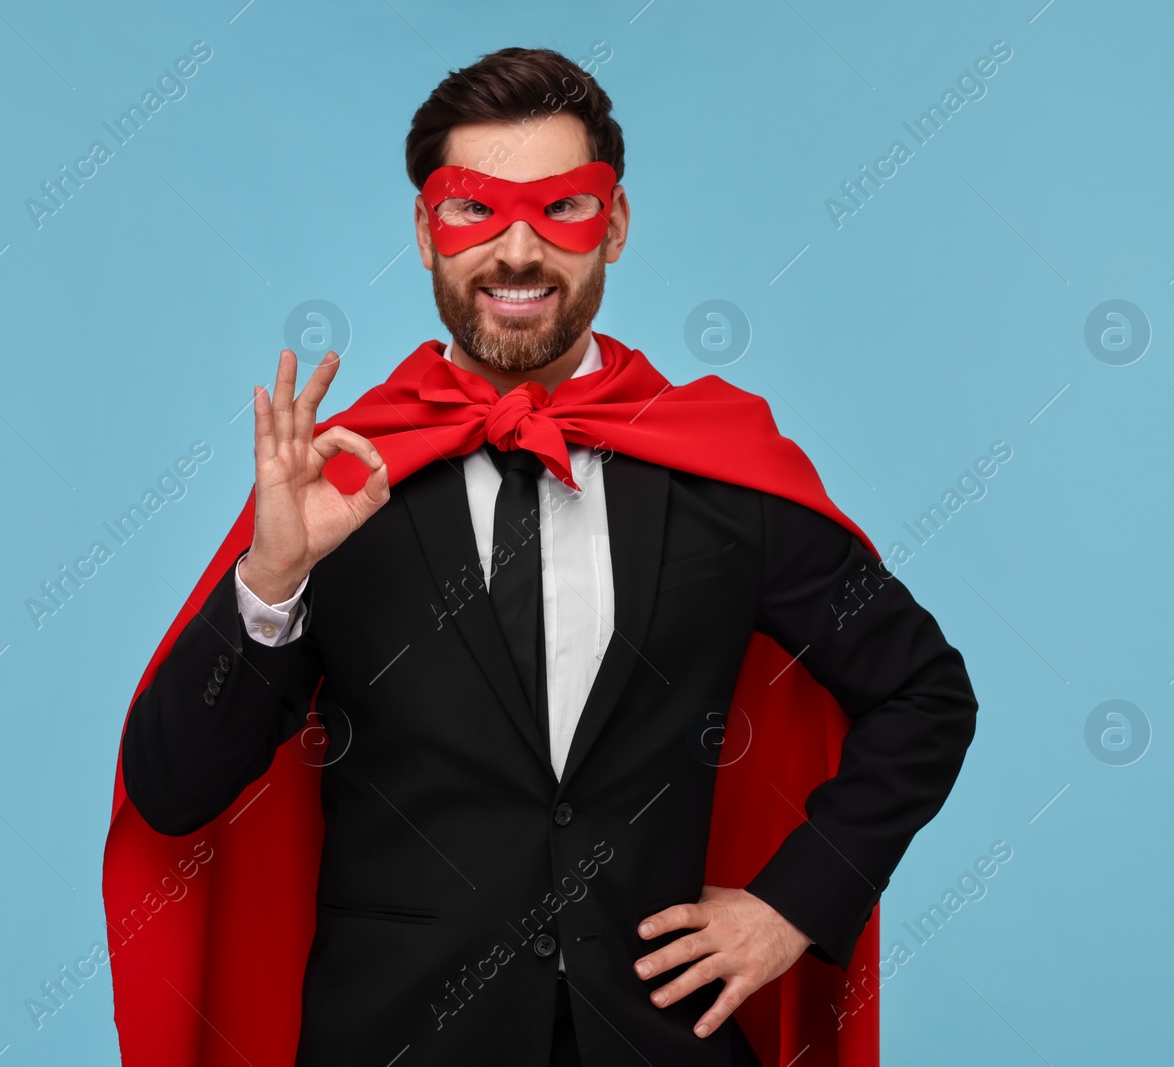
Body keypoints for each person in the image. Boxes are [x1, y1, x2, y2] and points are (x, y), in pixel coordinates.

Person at [107, 46, 978, 1067]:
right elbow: (172, 789)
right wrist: (270, 581)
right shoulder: (344, 483)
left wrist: (794, 902)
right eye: (475, 211)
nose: (516, 252)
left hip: (662, 1041)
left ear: (611, 225)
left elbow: (924, 692)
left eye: (559, 210)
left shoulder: (720, 467)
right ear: (427, 231)